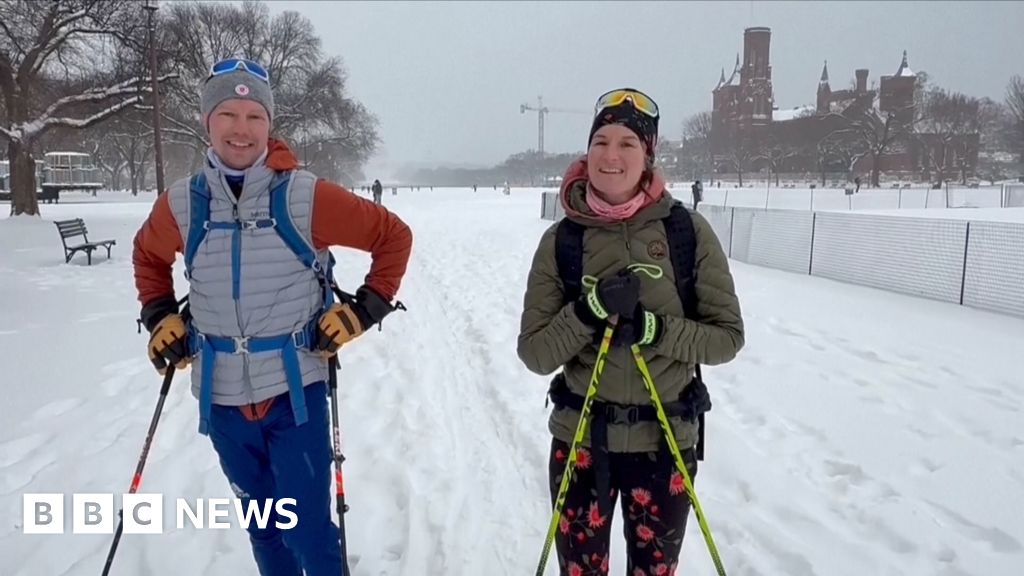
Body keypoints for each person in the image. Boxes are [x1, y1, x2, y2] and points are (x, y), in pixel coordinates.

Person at [132, 58, 413, 575]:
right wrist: (159, 315)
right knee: (264, 531)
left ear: (270, 124)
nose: (242, 129)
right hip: (222, 403)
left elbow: (393, 237)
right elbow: (148, 256)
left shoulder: (305, 196)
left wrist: (363, 311)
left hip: (295, 395)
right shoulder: (182, 203)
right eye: (228, 114)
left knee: (308, 532)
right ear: (206, 121)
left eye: (254, 116)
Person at [517, 88, 744, 575]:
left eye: (627, 143)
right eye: (601, 141)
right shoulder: (562, 240)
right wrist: (590, 310)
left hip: (664, 444)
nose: (611, 156)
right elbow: (535, 353)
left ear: (648, 156)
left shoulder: (687, 232)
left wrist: (652, 329)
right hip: (580, 442)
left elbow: (726, 337)